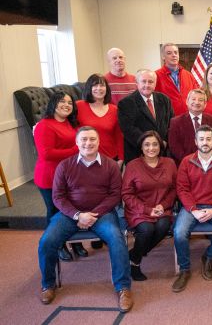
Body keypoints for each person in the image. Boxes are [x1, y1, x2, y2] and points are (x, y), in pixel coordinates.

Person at [38, 127, 133, 312]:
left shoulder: (111, 166)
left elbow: (115, 195)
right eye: (83, 140)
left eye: (92, 139)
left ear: (99, 142)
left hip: (102, 214)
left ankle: (123, 288)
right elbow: (58, 197)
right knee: (46, 241)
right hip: (69, 214)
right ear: (77, 143)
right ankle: (48, 284)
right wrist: (77, 215)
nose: (88, 143)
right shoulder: (64, 166)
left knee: (117, 240)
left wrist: (93, 215)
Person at [172, 125, 212, 292]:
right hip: (192, 207)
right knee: (178, 233)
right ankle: (184, 269)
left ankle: (208, 257)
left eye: (208, 139)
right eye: (201, 139)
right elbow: (182, 189)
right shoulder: (186, 161)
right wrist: (193, 210)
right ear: (196, 141)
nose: (205, 142)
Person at [122, 131, 177, 281]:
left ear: (161, 146)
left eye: (155, 144)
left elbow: (174, 189)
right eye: (147, 144)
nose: (151, 148)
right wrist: (147, 210)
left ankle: (133, 254)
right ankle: (135, 262)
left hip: (161, 208)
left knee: (163, 226)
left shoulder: (169, 163)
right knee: (146, 229)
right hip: (138, 209)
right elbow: (127, 194)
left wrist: (163, 205)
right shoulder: (133, 165)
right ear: (141, 147)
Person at [34, 91, 82, 261]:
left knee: (74, 207)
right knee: (54, 211)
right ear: (53, 103)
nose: (67, 105)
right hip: (49, 176)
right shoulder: (44, 125)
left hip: (69, 175)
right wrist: (76, 151)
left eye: (70, 102)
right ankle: (58, 246)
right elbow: (47, 154)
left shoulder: (71, 123)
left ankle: (76, 243)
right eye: (62, 101)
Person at [118, 69, 174, 163]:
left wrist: (163, 142)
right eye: (144, 81)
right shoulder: (126, 103)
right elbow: (128, 129)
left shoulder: (165, 100)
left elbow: (171, 124)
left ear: (155, 83)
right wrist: (149, 145)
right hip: (138, 154)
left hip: (163, 153)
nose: (147, 85)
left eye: (151, 82)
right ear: (137, 83)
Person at [77, 73, 124, 167]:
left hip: (111, 158)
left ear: (106, 89)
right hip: (85, 158)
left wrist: (121, 159)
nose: (99, 88)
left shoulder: (114, 109)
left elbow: (119, 136)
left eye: (102, 85)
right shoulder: (78, 106)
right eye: (95, 85)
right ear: (89, 88)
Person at [168, 89, 212, 164]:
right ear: (187, 102)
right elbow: (174, 146)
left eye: (200, 100)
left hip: (210, 165)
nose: (197, 102)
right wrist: (192, 162)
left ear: (205, 104)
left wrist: (206, 160)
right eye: (193, 99)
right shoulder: (175, 122)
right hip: (185, 165)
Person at [154, 43, 198, 116]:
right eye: (169, 53)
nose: (174, 55)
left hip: (188, 118)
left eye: (175, 52)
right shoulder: (156, 76)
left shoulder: (188, 75)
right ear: (163, 57)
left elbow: (196, 96)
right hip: (168, 120)